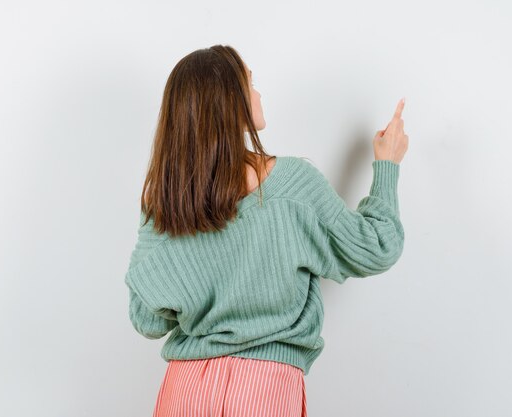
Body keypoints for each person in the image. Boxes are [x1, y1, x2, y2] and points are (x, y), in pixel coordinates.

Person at [124, 44, 408, 417]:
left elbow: (147, 320)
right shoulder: (292, 187)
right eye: (250, 82)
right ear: (230, 100)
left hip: (185, 391)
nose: (258, 93)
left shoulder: (164, 201)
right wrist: (387, 164)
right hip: (265, 390)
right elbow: (377, 246)